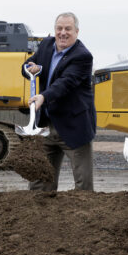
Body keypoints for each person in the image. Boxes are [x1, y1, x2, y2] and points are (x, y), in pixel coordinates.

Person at [22, 12, 96, 191]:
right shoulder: (47, 45)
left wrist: (44, 97)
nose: (63, 33)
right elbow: (28, 64)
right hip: (45, 125)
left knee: (83, 185)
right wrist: (29, 68)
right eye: (59, 28)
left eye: (68, 29)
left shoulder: (83, 56)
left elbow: (66, 83)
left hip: (74, 126)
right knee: (39, 184)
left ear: (76, 31)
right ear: (55, 30)